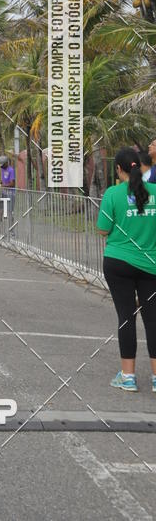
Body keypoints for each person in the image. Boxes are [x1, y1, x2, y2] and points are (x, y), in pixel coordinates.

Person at [97, 147, 156, 393]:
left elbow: (102, 229)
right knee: (153, 320)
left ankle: (128, 376)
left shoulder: (112, 194)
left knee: (126, 317)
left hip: (118, 263)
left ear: (118, 169)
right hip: (151, 265)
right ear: (142, 167)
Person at [0, 155, 16, 238]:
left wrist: (2, 186)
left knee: (10, 213)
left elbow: (12, 184)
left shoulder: (11, 170)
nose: (0, 166)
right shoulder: (2, 169)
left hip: (11, 194)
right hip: (4, 194)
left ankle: (12, 232)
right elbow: (4, 180)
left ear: (6, 163)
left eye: (1, 164)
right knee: (0, 212)